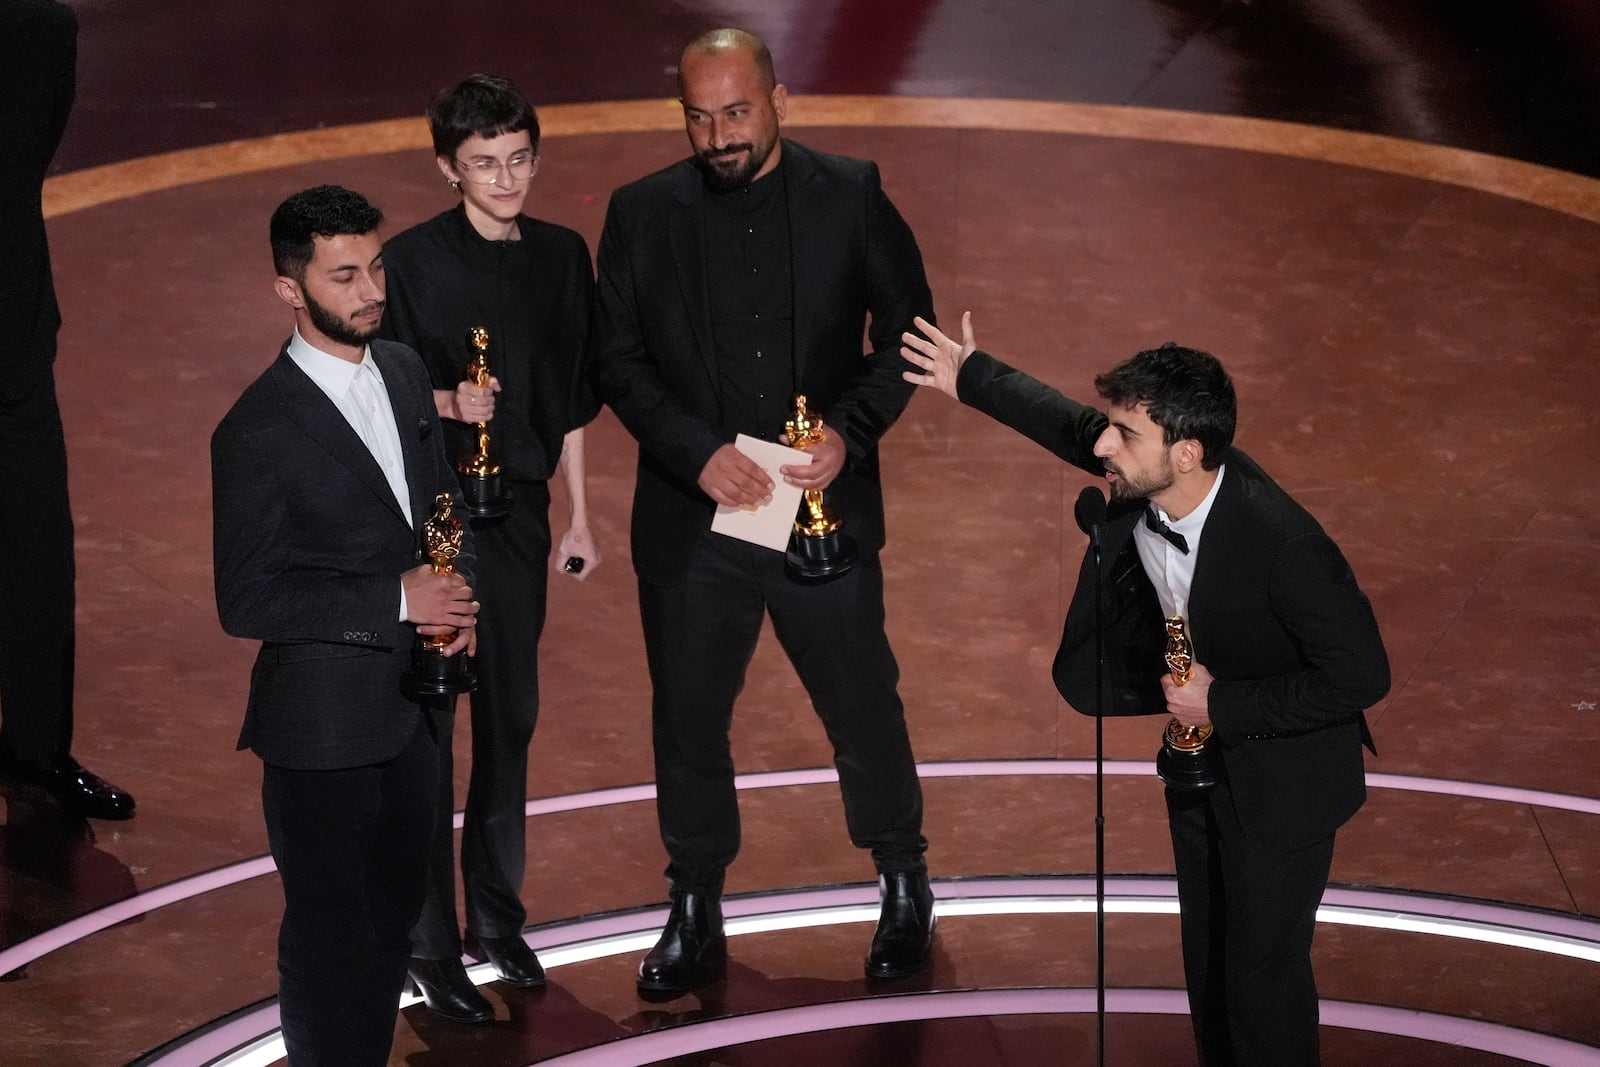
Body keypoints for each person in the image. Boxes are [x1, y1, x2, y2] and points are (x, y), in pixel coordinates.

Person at [902, 314, 1390, 1065]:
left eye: (1125, 433)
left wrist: (1218, 704)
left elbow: (1362, 674)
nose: (1104, 446)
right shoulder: (1144, 476)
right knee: (1208, 962)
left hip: (1286, 781)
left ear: (1187, 451)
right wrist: (970, 375)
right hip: (1198, 767)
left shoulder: (1285, 544)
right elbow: (1067, 423)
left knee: (1262, 975)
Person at [590, 27, 936, 996]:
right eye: (698, 117)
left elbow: (907, 332)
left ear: (781, 99)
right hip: (696, 518)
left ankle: (903, 880)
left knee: (862, 706)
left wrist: (847, 436)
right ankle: (694, 904)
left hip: (817, 510)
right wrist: (695, 454)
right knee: (689, 721)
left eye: (735, 112)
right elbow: (615, 357)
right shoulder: (640, 213)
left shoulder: (852, 193)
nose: (717, 136)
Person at [211, 185, 479, 1066]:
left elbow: (439, 505)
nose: (372, 289)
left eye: (376, 265)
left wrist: (456, 590)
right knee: (333, 936)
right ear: (291, 289)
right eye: (345, 274)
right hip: (320, 730)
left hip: (412, 709)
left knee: (392, 921)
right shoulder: (255, 430)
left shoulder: (402, 369)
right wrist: (402, 600)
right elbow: (246, 598)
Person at [379, 73, 600, 1023]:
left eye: (517, 160)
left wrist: (583, 515)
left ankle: (497, 922)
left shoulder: (561, 255)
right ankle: (429, 944)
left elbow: (573, 398)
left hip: (523, 509)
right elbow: (377, 389)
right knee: (437, 725)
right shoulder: (411, 261)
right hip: (438, 522)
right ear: (447, 167)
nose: (504, 179)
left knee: (510, 721)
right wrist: (443, 402)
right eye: (482, 164)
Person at [0, 0, 135, 821]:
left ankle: (38, 748)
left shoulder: (39, 26)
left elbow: (27, 160)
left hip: (15, 328)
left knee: (39, 546)